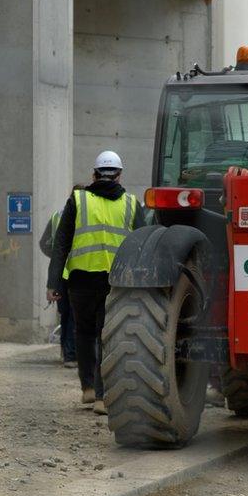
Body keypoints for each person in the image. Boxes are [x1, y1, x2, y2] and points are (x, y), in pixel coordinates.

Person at [47, 151, 145, 415]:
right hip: (116, 282)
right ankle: (103, 398)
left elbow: (61, 244)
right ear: (120, 174)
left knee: (84, 333)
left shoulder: (78, 200)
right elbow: (142, 247)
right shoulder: (132, 204)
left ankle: (88, 389)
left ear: (94, 174)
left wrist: (53, 282)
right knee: (108, 336)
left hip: (80, 280)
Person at [39, 185, 85, 369]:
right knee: (74, 315)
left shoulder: (57, 215)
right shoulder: (84, 217)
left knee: (65, 314)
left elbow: (44, 244)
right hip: (77, 272)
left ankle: (66, 353)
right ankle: (71, 355)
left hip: (61, 274)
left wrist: (57, 256)